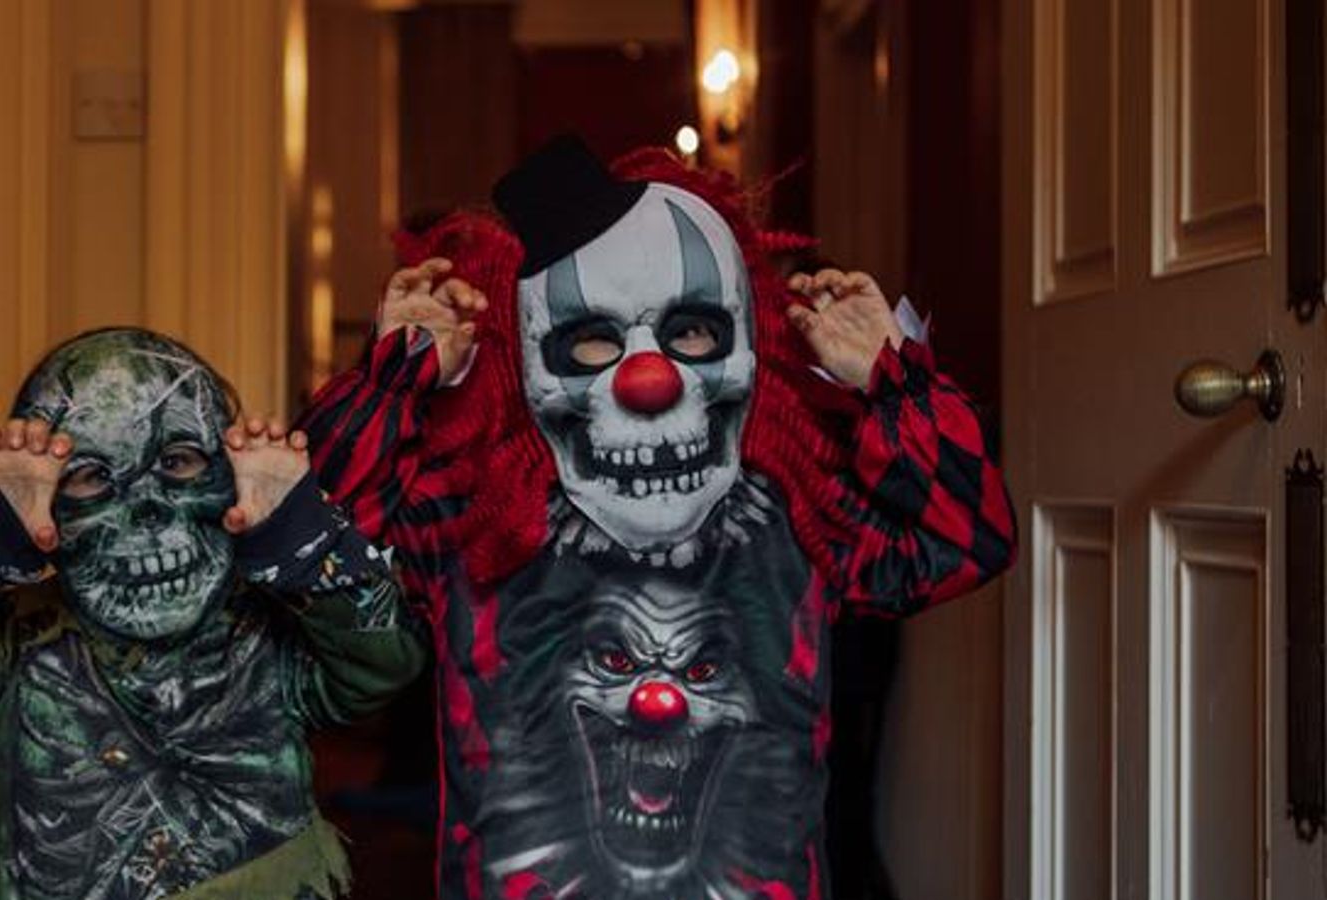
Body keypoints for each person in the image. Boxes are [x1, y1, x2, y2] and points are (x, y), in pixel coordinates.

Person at [300, 136, 1016, 897]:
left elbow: (970, 536)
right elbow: (313, 539)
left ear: (749, 344)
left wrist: (892, 379)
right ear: (524, 361)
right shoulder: (473, 525)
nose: (648, 379)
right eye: (593, 344)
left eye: (693, 334)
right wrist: (392, 381)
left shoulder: (799, 523)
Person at [0, 327, 427, 900]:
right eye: (90, 477)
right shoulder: (11, 650)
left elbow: (384, 662)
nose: (145, 510)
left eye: (180, 462)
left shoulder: (268, 635)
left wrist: (297, 534)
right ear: (49, 507)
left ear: (229, 480)